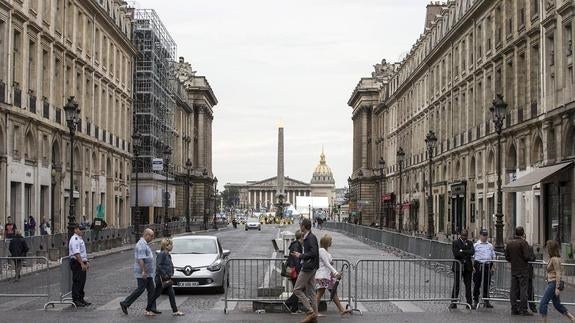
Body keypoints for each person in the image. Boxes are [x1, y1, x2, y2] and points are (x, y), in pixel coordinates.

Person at [120, 228, 159, 316]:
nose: (153, 237)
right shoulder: (141, 244)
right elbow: (140, 259)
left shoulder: (145, 244)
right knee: (140, 289)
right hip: (143, 272)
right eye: (152, 236)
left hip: (147, 273)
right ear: (146, 235)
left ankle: (151, 308)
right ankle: (125, 303)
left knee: (152, 290)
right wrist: (144, 271)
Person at [315, 234, 352, 316]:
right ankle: (314, 312)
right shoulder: (321, 250)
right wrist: (336, 273)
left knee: (333, 292)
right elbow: (327, 264)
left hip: (327, 275)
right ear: (326, 242)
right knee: (320, 293)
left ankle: (341, 309)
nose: (331, 242)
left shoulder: (325, 251)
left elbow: (329, 264)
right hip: (323, 275)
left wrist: (334, 273)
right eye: (330, 241)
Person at [290, 218, 319, 323]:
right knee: (311, 292)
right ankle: (314, 317)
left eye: (301, 224)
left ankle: (310, 311)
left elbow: (314, 253)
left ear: (304, 226)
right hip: (312, 267)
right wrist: (300, 255)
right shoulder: (309, 237)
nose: (300, 226)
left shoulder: (310, 238)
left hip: (308, 267)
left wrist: (301, 256)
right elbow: (312, 252)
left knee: (297, 289)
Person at [539, 240, 575, 322]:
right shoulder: (552, 258)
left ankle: (544, 321)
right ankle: (572, 318)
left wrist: (557, 287)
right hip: (552, 282)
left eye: (548, 247)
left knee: (543, 303)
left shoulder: (555, 259)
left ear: (551, 248)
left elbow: (558, 273)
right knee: (557, 305)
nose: (546, 249)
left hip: (553, 283)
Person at [148, 239, 184, 316]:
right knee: (156, 294)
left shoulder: (167, 254)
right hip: (161, 278)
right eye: (170, 244)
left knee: (171, 293)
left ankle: (175, 311)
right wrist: (165, 274)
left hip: (166, 278)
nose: (172, 246)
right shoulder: (162, 254)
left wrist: (170, 273)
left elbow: (167, 265)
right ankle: (148, 309)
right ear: (166, 246)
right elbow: (158, 265)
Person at [505, 226, 535, 316]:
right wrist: (531, 258)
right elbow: (526, 256)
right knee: (523, 290)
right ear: (523, 233)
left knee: (513, 290)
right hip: (523, 270)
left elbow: (507, 256)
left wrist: (513, 261)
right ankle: (523, 309)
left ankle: (514, 308)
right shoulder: (523, 243)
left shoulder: (509, 243)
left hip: (514, 269)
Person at [450, 229, 474, 309]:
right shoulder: (455, 243)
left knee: (468, 285)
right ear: (460, 235)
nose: (464, 237)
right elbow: (456, 254)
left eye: (466, 236)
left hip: (467, 267)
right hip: (458, 266)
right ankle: (453, 302)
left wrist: (462, 251)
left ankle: (469, 303)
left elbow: (472, 252)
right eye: (463, 235)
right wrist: (466, 252)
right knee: (456, 285)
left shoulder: (470, 243)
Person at [472, 229, 496, 309]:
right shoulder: (476, 245)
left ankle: (486, 300)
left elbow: (493, 256)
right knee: (477, 283)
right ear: (480, 235)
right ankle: (476, 300)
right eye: (483, 235)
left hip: (487, 265)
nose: (485, 237)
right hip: (478, 266)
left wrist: (493, 266)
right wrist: (472, 267)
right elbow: (472, 257)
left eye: (486, 235)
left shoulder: (490, 245)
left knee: (487, 284)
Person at [68, 224, 91, 307]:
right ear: (75, 230)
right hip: (77, 262)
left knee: (82, 282)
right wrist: (81, 263)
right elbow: (77, 253)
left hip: (81, 262)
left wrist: (86, 261)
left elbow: (82, 252)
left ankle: (81, 298)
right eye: (81, 229)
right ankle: (76, 300)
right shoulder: (75, 239)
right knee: (77, 281)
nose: (83, 231)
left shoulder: (80, 239)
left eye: (83, 230)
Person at [283, 230, 303, 313]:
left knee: (297, 289)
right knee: (299, 289)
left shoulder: (295, 244)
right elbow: (296, 259)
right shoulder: (296, 245)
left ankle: (294, 308)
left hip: (292, 269)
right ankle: (288, 302)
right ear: (301, 237)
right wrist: (299, 270)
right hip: (294, 270)